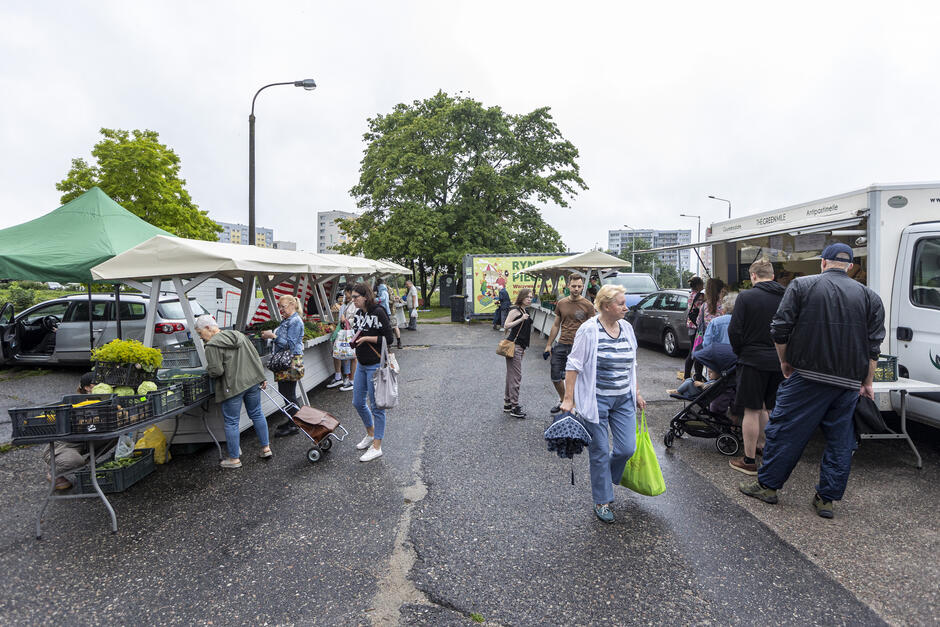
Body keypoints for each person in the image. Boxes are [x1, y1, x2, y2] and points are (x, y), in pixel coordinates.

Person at [739, 243, 886, 519]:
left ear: (822, 262)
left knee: (785, 431)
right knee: (840, 441)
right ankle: (826, 499)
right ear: (850, 267)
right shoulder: (870, 297)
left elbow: (779, 329)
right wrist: (866, 382)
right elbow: (873, 346)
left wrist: (784, 361)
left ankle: (768, 487)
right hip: (847, 384)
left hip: (806, 376)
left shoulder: (801, 286)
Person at [560, 284, 647, 524]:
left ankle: (604, 475)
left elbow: (632, 365)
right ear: (607, 306)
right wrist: (568, 399)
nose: (626, 308)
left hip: (623, 399)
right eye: (621, 303)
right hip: (596, 399)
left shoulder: (627, 329)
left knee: (626, 448)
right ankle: (602, 500)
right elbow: (573, 364)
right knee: (598, 452)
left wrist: (637, 392)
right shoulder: (589, 330)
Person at [727, 258, 786, 475]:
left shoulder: (746, 296)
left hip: (752, 359)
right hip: (778, 361)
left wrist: (740, 351)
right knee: (768, 408)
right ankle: (766, 450)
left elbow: (734, 330)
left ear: (753, 276)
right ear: (772, 275)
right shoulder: (786, 295)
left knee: (751, 409)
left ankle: (749, 460)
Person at [198, 315, 271, 468]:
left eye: (200, 333)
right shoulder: (238, 335)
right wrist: (261, 376)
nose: (201, 337)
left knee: (231, 422)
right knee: (257, 413)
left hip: (232, 387)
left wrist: (208, 370)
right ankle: (266, 448)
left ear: (208, 328)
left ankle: (234, 459)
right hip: (252, 382)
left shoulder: (211, 346)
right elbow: (254, 356)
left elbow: (217, 371)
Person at [350, 282, 396, 462]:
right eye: (352, 297)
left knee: (377, 407)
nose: (352, 300)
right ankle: (370, 434)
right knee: (357, 402)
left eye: (355, 297)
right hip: (361, 364)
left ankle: (377, 446)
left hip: (376, 365)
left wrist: (367, 338)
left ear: (365, 297)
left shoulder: (378, 311)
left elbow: (389, 337)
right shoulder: (360, 313)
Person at [543, 274, 595, 414]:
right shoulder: (561, 303)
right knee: (555, 375)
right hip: (562, 343)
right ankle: (563, 399)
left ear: (583, 287)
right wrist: (549, 344)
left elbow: (593, 329)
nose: (576, 289)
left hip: (579, 347)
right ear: (568, 285)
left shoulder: (588, 306)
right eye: (573, 286)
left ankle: (576, 406)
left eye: (579, 286)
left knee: (577, 379)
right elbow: (555, 325)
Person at [43, 372, 97, 490]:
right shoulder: (75, 404)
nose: (100, 386)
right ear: (87, 388)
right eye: (95, 384)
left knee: (114, 437)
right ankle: (53, 471)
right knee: (76, 461)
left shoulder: (101, 402)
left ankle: (87, 464)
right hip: (63, 445)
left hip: (83, 441)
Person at [262, 295, 305, 437]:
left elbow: (290, 345)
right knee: (286, 393)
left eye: (283, 306)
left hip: (290, 361)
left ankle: (294, 424)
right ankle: (292, 419)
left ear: (292, 304)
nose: (281, 309)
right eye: (280, 307)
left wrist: (273, 336)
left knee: (289, 394)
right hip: (286, 361)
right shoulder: (288, 320)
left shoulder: (295, 321)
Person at [502, 288, 534, 419]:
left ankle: (507, 403)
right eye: (528, 297)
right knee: (516, 376)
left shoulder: (524, 311)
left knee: (511, 375)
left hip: (520, 347)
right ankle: (515, 406)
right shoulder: (515, 311)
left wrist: (524, 349)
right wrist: (521, 319)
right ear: (521, 298)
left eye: (531, 297)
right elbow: (506, 325)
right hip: (514, 346)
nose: (530, 299)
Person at [328, 286, 358, 391]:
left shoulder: (355, 304)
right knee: (337, 352)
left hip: (351, 333)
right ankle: (338, 377)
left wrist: (346, 320)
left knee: (352, 356)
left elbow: (357, 319)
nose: (345, 295)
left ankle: (352, 380)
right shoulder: (343, 305)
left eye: (347, 293)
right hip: (342, 332)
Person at [683, 276, 705, 380]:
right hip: (697, 326)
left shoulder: (691, 295)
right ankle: (697, 376)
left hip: (691, 326)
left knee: (692, 350)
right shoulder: (700, 296)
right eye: (702, 284)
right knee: (697, 352)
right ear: (699, 285)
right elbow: (703, 309)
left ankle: (687, 375)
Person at [376, 278, 402, 349]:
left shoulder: (384, 290)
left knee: (393, 326)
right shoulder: (385, 289)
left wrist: (376, 300)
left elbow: (388, 299)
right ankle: (395, 342)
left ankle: (397, 342)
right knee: (391, 326)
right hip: (388, 311)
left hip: (389, 311)